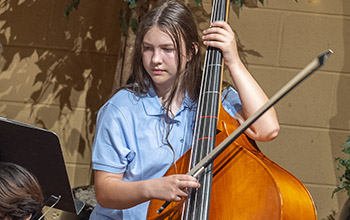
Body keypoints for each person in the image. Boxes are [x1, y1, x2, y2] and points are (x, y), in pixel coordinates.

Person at [90, 1, 280, 219]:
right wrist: (153, 188)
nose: (155, 60)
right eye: (148, 48)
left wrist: (233, 61)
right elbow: (105, 191)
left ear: (191, 52)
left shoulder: (214, 101)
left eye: (167, 49)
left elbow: (268, 129)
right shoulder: (122, 108)